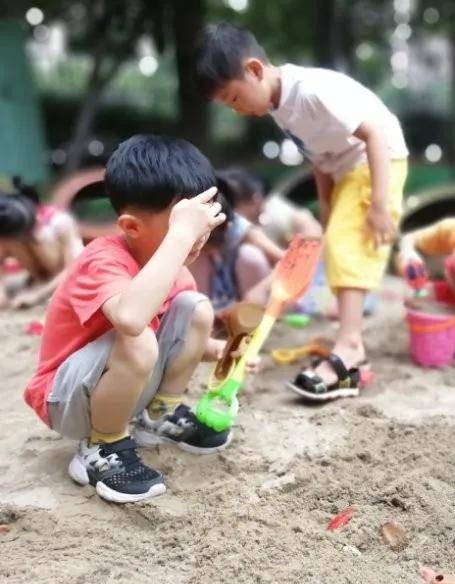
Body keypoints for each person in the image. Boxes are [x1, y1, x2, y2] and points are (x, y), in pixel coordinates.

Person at [196, 23, 408, 400]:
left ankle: (351, 345)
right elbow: (319, 161)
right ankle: (350, 345)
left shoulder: (310, 92)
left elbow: (375, 134)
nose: (237, 109)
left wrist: (378, 205)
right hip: (345, 169)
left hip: (377, 160)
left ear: (255, 70)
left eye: (234, 98)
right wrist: (327, 207)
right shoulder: (280, 108)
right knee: (337, 244)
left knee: (349, 247)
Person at [24, 134, 231, 503]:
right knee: (137, 336)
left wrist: (216, 348)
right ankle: (100, 447)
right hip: (66, 399)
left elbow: (172, 333)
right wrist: (180, 237)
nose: (195, 238)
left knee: (196, 308)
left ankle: (159, 416)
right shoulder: (102, 259)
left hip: (125, 385)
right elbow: (132, 320)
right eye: (182, 226)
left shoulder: (173, 269)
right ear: (132, 227)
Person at [188, 171, 284, 310]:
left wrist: (261, 289)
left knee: (249, 256)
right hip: (216, 301)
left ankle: (252, 316)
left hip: (245, 297)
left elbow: (287, 261)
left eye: (213, 238)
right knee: (197, 259)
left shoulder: (242, 231)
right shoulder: (192, 231)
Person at [0, 178, 83, 309]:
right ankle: (38, 281)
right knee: (10, 239)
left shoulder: (59, 222)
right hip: (36, 279)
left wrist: (38, 295)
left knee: (41, 236)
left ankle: (47, 285)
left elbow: (76, 267)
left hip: (58, 278)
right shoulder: (8, 231)